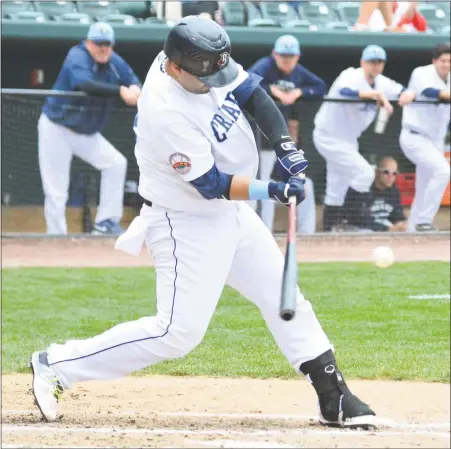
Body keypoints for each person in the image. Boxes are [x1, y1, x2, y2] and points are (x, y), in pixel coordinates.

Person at [30, 17, 376, 430]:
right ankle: (57, 364)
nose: (216, 84)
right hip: (185, 221)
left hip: (230, 214)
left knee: (283, 297)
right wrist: (274, 189)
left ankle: (333, 397)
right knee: (177, 333)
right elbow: (211, 184)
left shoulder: (202, 61)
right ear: (176, 68)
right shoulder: (164, 111)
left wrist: (285, 147)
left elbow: (252, 94)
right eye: (205, 77)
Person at [38, 22, 142, 235]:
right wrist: (121, 90)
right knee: (56, 190)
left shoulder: (115, 62)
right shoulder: (76, 56)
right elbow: (85, 84)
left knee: (115, 163)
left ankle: (105, 223)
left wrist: (134, 88)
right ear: (88, 43)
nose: (103, 48)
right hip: (57, 128)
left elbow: (133, 80)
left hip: (85, 133)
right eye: (98, 43)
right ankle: (56, 236)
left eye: (107, 44)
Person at [312, 44, 416, 232]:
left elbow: (403, 90)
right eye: (371, 62)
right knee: (365, 173)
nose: (374, 66)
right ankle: (352, 218)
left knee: (337, 186)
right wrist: (375, 95)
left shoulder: (382, 82)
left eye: (378, 62)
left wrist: (407, 94)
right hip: (328, 135)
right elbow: (345, 92)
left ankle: (328, 230)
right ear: (362, 62)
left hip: (349, 140)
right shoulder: (350, 75)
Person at [248, 35, 325, 234]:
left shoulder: (298, 73)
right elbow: (245, 83)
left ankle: (307, 233)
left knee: (301, 181)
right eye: (283, 56)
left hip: (285, 138)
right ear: (275, 54)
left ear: (297, 57)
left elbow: (320, 87)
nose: (287, 60)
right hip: (262, 136)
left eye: (290, 56)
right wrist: (271, 89)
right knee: (264, 184)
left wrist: (299, 92)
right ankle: (264, 231)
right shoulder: (265, 66)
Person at [399, 43, 450, 232]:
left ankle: (413, 231)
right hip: (415, 136)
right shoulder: (421, 72)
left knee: (424, 187)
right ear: (435, 61)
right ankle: (424, 221)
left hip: (436, 140)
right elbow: (430, 92)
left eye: (449, 61)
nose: (446, 65)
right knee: (443, 171)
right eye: (443, 60)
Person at [342, 157, 407, 232]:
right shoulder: (364, 187)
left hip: (382, 227)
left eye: (394, 173)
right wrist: (387, 229)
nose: (390, 177)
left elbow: (397, 214)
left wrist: (401, 224)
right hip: (356, 228)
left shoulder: (393, 191)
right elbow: (360, 219)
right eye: (386, 172)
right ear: (377, 172)